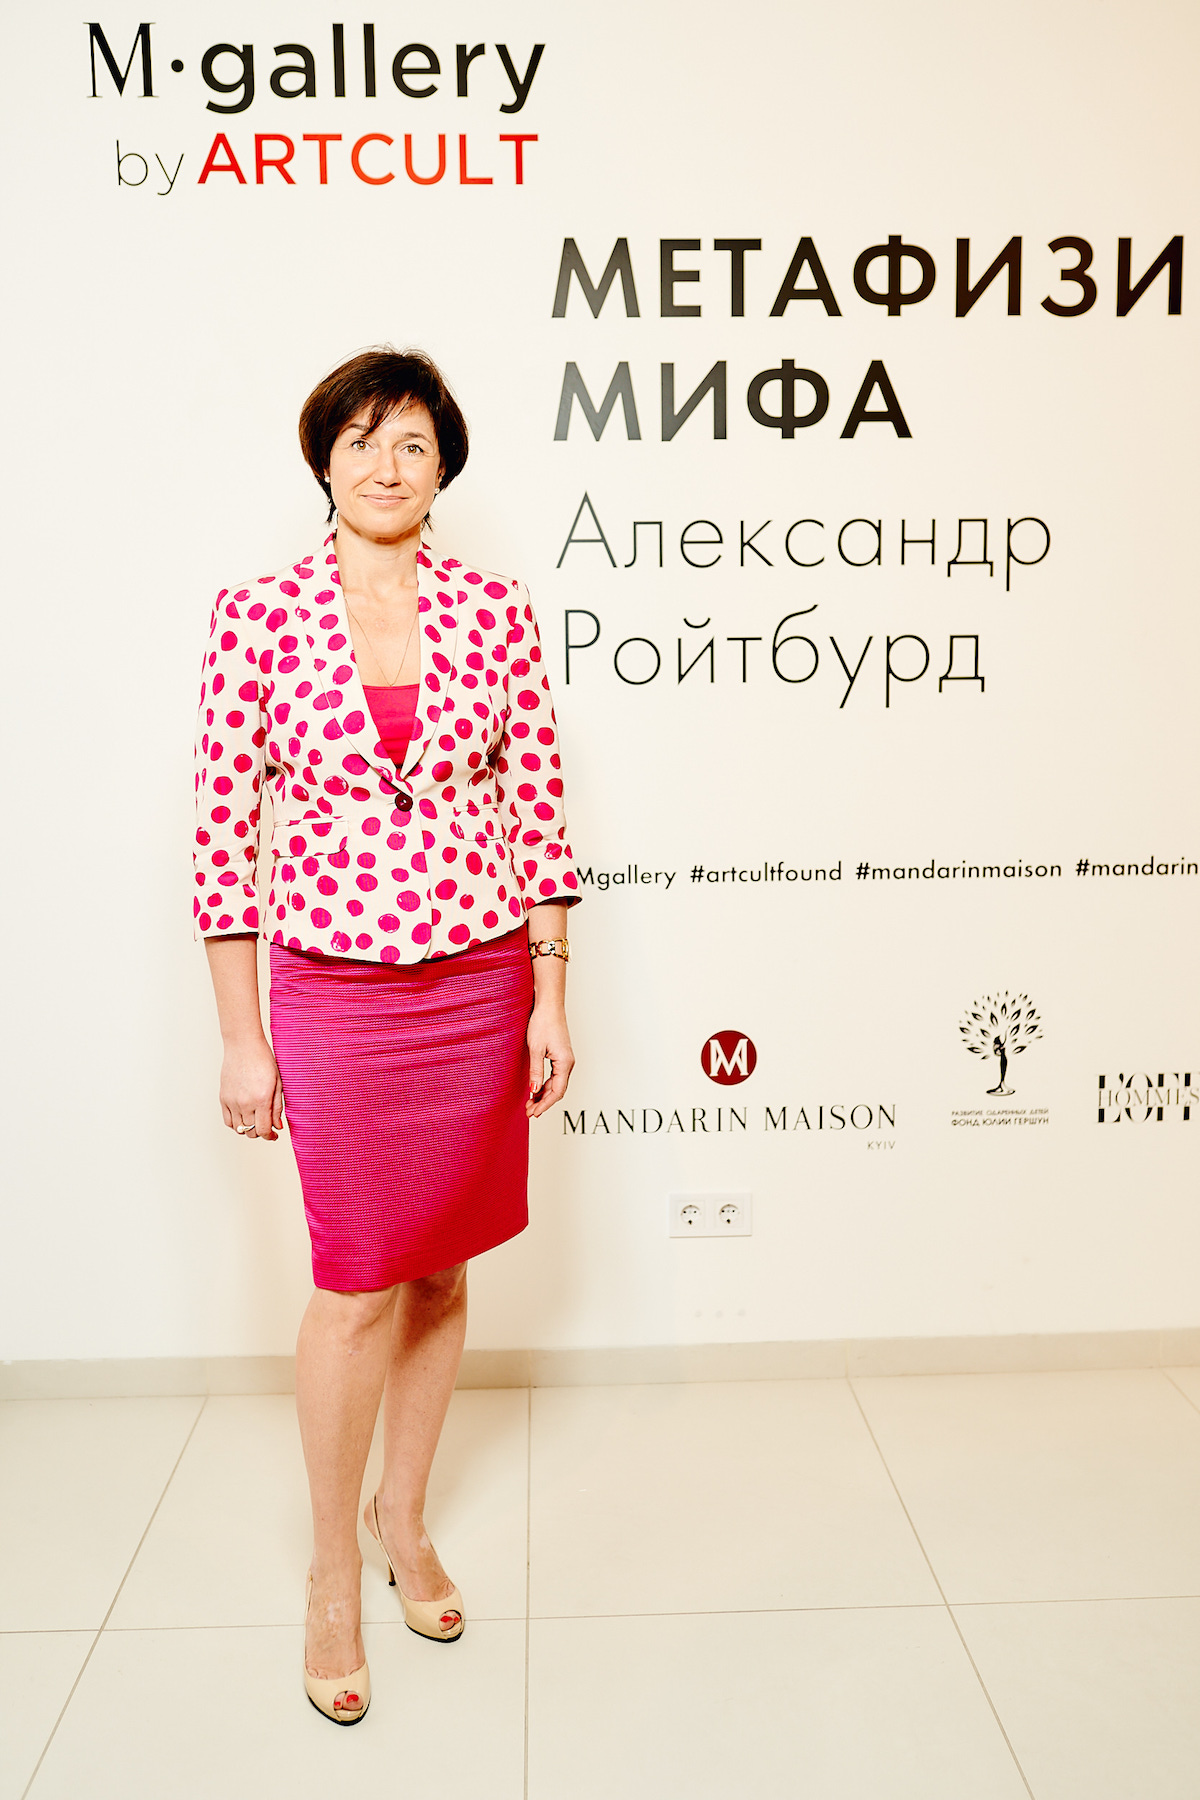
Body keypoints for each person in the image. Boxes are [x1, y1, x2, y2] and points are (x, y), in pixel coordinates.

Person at [194, 347, 580, 1724]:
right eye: (361, 440)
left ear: (442, 468)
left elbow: (537, 808)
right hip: (337, 994)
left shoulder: (494, 609)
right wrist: (242, 1037)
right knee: (356, 1282)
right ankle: (328, 1573)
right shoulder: (256, 616)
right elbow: (222, 844)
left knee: (441, 1274)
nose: (386, 464)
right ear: (324, 459)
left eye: (413, 443)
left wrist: (550, 992)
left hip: (476, 982)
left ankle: (401, 1518)